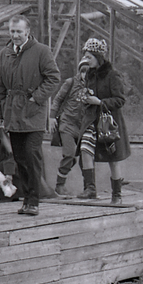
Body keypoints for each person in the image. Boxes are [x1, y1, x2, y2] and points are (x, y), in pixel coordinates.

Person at [0, 15, 59, 216]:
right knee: (20, 158)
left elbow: (54, 78)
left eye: (19, 32)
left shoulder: (41, 51)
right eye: (12, 31)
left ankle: (34, 200)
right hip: (12, 113)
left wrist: (36, 98)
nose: (15, 35)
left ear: (27, 32)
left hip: (33, 114)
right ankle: (26, 199)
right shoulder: (5, 54)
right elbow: (0, 87)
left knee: (32, 156)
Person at [64, 38, 131, 204]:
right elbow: (88, 92)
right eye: (85, 56)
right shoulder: (89, 74)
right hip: (91, 120)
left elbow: (120, 100)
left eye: (89, 57)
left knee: (113, 158)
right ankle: (90, 189)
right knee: (85, 150)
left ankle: (117, 194)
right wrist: (85, 98)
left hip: (108, 123)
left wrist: (100, 102)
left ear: (98, 56)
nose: (86, 60)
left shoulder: (113, 75)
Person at [50, 56, 94, 198]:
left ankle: (88, 188)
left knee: (85, 158)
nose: (85, 74)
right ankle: (59, 186)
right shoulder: (70, 83)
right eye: (83, 71)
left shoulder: (94, 85)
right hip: (67, 124)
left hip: (83, 126)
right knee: (69, 154)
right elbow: (57, 99)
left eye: (89, 71)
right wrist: (51, 118)